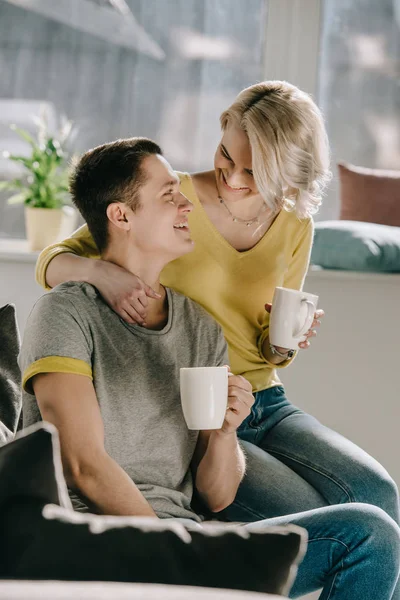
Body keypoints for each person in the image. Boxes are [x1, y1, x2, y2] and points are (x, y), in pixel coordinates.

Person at [21, 137, 400, 599]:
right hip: (104, 540)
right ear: (121, 216)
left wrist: (224, 432)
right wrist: (172, 549)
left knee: (370, 531)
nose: (187, 201)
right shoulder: (66, 313)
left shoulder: (199, 328)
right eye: (168, 194)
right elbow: (82, 464)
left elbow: (217, 496)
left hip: (188, 539)